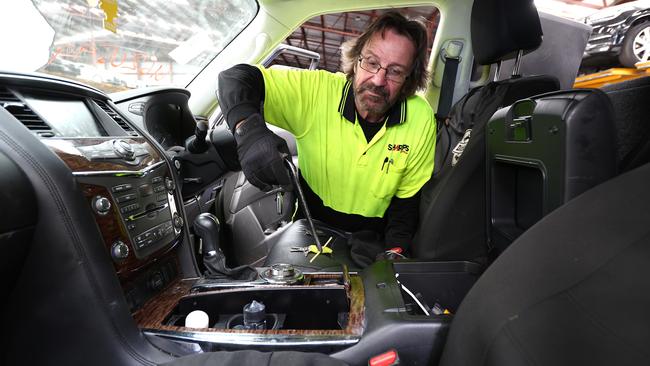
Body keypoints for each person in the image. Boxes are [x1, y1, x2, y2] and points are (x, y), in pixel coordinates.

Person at [217, 11, 436, 260]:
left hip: (374, 240)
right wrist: (248, 130)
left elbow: (406, 204)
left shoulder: (420, 117)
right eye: (372, 62)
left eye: (395, 71)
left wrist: (394, 253)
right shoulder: (316, 92)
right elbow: (235, 78)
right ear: (356, 60)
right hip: (312, 228)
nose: (378, 79)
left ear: (409, 80)